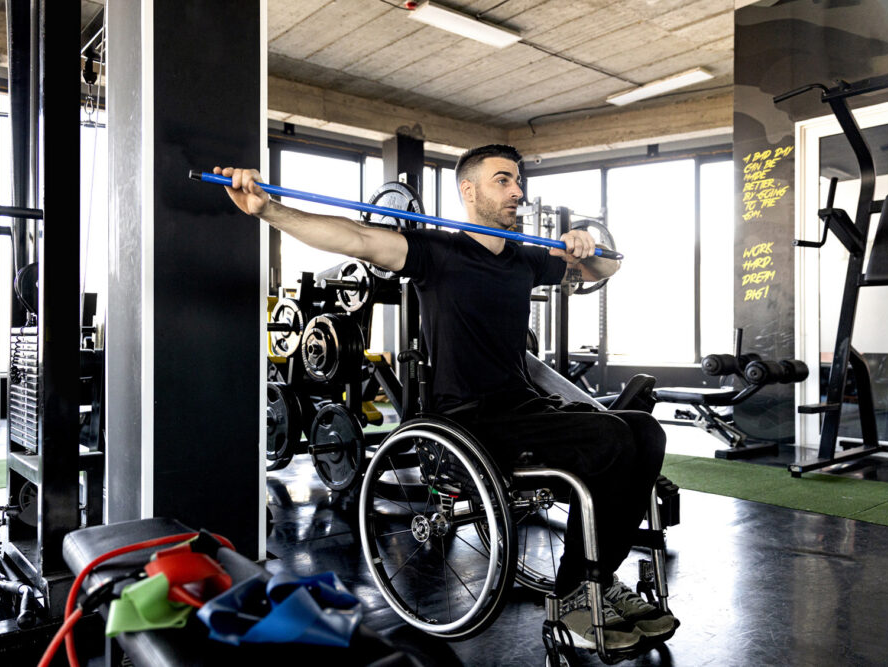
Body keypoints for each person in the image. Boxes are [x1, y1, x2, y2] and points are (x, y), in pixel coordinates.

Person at [214, 144, 675, 653]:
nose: (517, 191)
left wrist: (587, 247)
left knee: (645, 430)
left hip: (523, 408)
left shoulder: (523, 257)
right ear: (469, 190)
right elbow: (357, 238)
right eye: (504, 180)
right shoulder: (438, 252)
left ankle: (598, 578)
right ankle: (574, 596)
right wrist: (270, 210)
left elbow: (603, 272)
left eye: (518, 181)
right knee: (610, 436)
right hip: (469, 421)